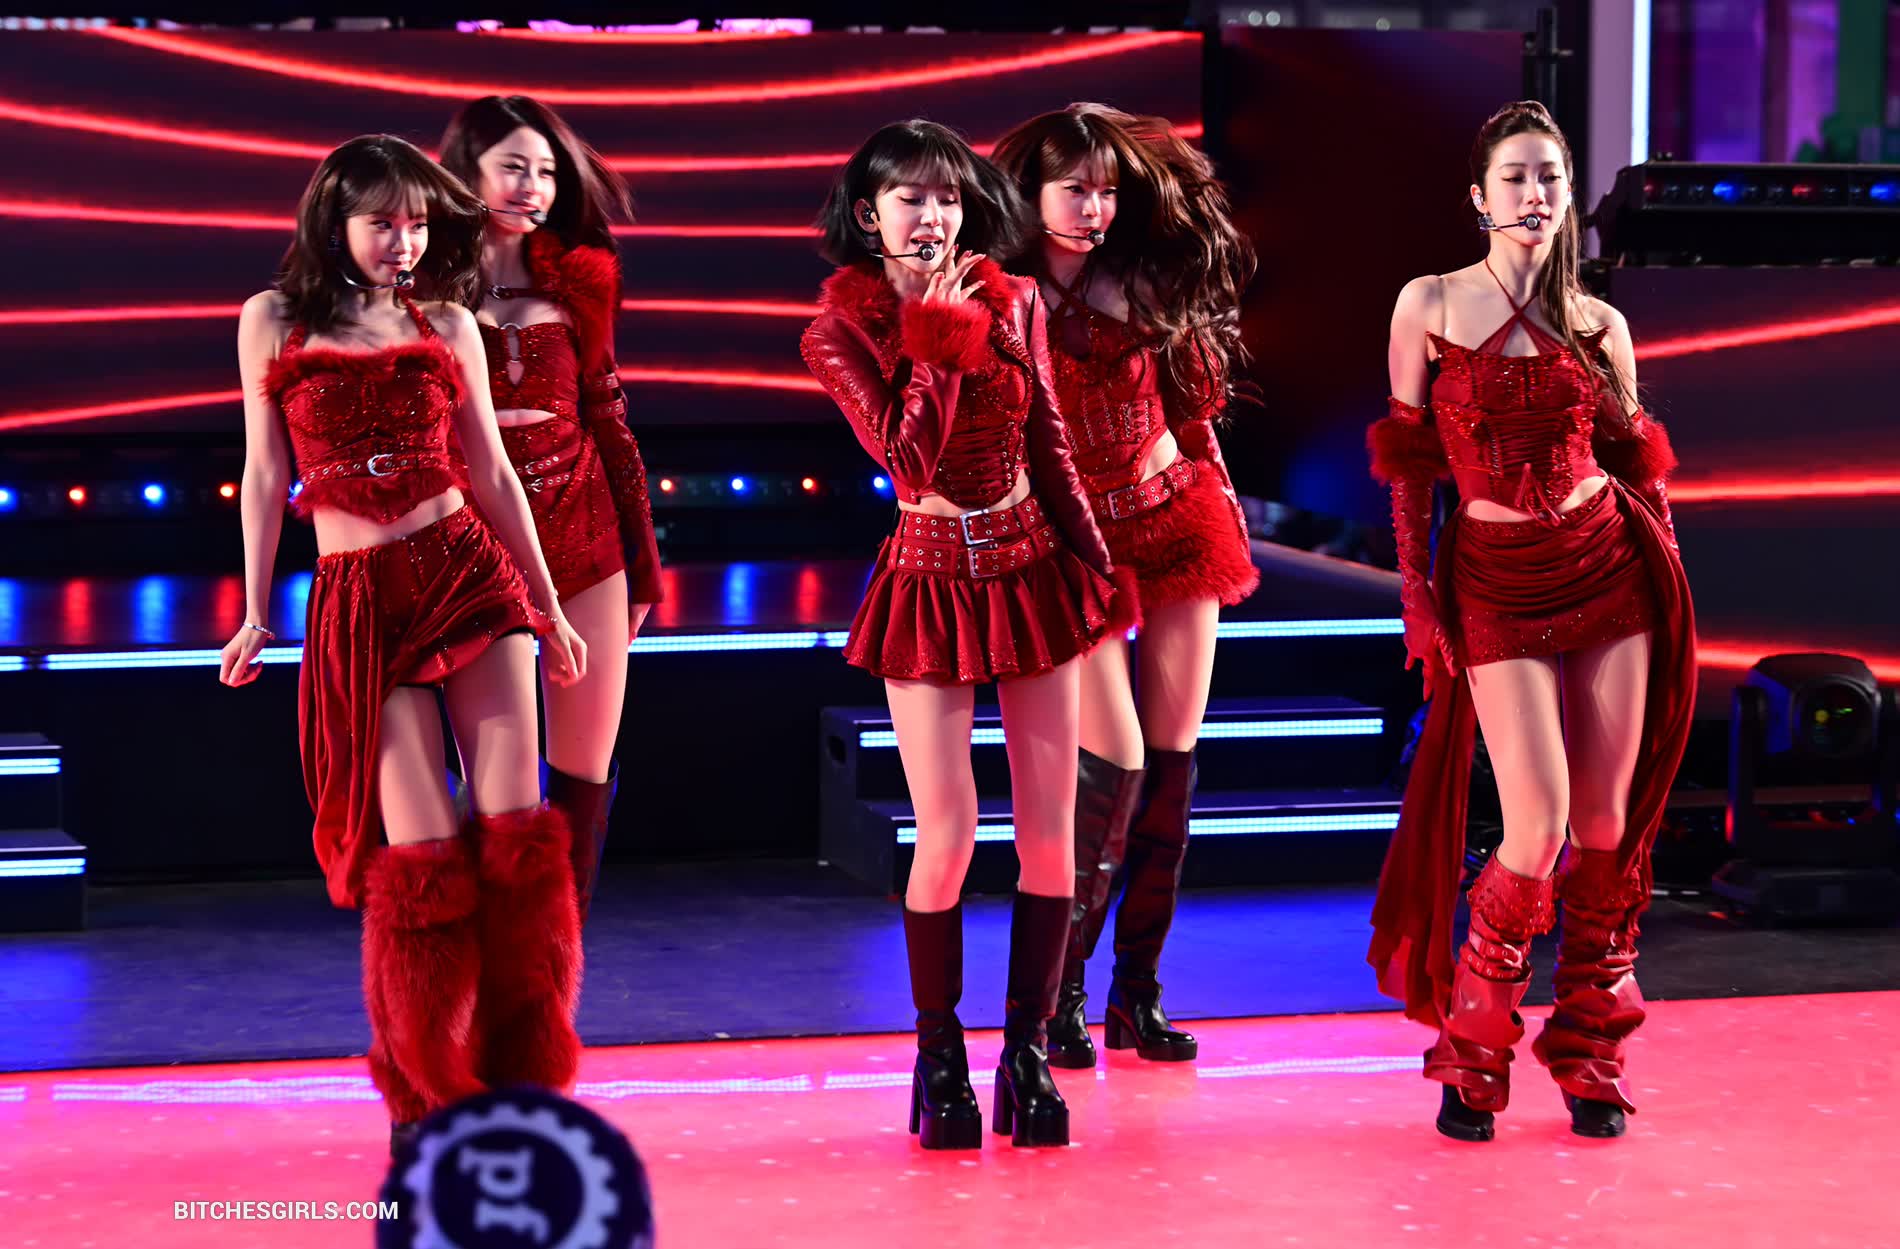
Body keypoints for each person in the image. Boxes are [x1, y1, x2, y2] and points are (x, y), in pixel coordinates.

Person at [217, 135, 591, 1154]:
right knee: (419, 859)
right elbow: (264, 475)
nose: (404, 241)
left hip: (467, 576)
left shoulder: (448, 321)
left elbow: (494, 471)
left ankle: (524, 1074)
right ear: (332, 221)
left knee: (518, 836)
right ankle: (424, 1088)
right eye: (382, 222)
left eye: (418, 223)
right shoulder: (272, 319)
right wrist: (254, 610)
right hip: (359, 603)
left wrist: (549, 607)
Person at [1364, 102, 1695, 1142]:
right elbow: (1409, 473)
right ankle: (1473, 1054)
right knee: (1535, 825)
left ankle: (1592, 1051)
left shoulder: (1599, 324)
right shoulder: (1427, 302)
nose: (1535, 194)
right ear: (1478, 194)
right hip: (1495, 581)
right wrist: (1417, 595)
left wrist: (1668, 575)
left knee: (1603, 829)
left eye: (1549, 176)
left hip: (1608, 569)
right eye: (1514, 175)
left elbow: (1638, 465)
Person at [800, 120, 1118, 1149]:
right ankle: (939, 1059)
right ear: (870, 215)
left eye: (947, 198)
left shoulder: (1012, 298)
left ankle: (1025, 1051)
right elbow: (909, 461)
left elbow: (1049, 438)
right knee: (948, 826)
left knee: (1049, 828)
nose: (933, 216)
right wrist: (937, 335)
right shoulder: (838, 334)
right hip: (930, 576)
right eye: (911, 199)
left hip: (1032, 566)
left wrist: (1097, 564)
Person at [992, 103, 1260, 1069]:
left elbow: (1191, 414)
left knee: (1174, 767)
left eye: (1107, 190)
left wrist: (1222, 497)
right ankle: (1061, 990)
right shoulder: (1001, 295)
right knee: (1116, 765)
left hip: (1177, 517)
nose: (1094, 209)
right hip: (1078, 545)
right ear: (1030, 192)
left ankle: (1135, 992)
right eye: (1074, 189)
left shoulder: (1146, 276)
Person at [440, 96, 664, 920]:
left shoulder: (580, 281)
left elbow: (609, 417)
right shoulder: (421, 284)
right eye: (512, 167)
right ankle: (493, 958)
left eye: (545, 172)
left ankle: (553, 970)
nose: (531, 186)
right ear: (465, 171)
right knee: (496, 791)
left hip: (584, 528)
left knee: (582, 780)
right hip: (473, 542)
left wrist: (643, 562)